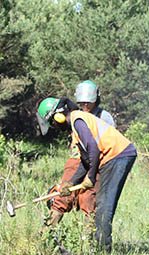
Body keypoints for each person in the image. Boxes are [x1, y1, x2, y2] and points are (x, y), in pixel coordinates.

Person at [37, 96, 136, 251]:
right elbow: (86, 161)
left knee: (104, 204)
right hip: (114, 157)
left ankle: (103, 250)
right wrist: (72, 182)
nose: (55, 127)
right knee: (103, 203)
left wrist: (90, 177)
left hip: (118, 155)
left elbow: (93, 150)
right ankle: (99, 247)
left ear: (58, 116)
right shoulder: (76, 128)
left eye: (53, 123)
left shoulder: (77, 120)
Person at [47, 80, 116, 227]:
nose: (85, 106)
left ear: (96, 100)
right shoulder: (76, 115)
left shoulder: (105, 117)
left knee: (88, 199)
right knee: (62, 197)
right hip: (77, 161)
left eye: (88, 103)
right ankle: (47, 234)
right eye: (82, 103)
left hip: (97, 162)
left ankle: (89, 242)